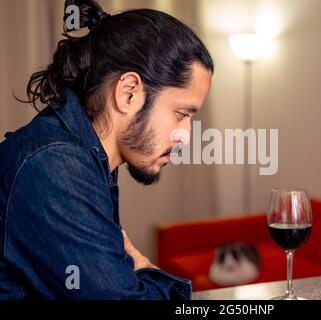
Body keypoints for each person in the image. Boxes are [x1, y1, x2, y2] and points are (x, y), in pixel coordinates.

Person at [0, 0, 213, 300]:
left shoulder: (89, 159)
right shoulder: (55, 165)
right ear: (128, 93)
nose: (186, 136)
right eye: (181, 114)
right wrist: (142, 266)